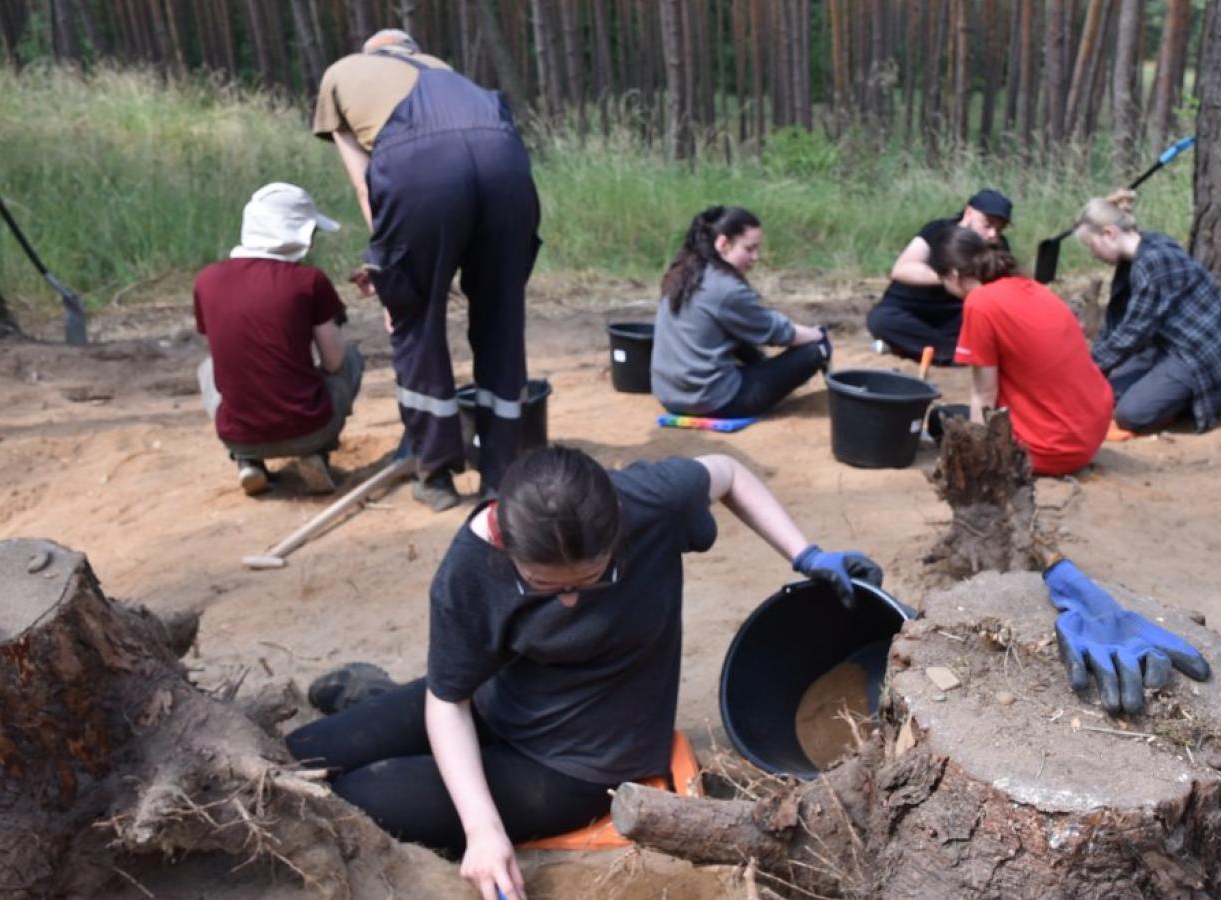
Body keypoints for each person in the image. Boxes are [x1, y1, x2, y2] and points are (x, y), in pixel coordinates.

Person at [286, 446, 882, 900]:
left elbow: (727, 472)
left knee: (350, 795)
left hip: (577, 763)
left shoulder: (648, 502)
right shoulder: (471, 568)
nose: (570, 601)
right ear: (506, 543)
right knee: (296, 757)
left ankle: (385, 716)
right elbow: (448, 700)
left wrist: (807, 556)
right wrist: (483, 828)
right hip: (490, 706)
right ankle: (381, 705)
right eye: (547, 587)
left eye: (590, 581)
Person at [314, 28, 542, 510]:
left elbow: (364, 185)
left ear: (370, 53)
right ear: (412, 50)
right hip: (507, 168)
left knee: (416, 320)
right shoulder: (448, 74)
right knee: (501, 319)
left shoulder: (341, 75)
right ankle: (502, 475)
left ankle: (436, 473)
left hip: (421, 173)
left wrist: (388, 263)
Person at [193, 182, 362, 496]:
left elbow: (227, 355)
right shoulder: (309, 281)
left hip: (237, 433)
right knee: (351, 357)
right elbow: (334, 361)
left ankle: (247, 461)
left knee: (208, 367)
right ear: (298, 232)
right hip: (310, 429)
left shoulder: (207, 281)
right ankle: (317, 452)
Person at [926, 227, 1112, 476]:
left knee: (940, 420)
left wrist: (980, 457)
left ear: (953, 274)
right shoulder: (1029, 286)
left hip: (1051, 450)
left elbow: (984, 395)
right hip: (1090, 433)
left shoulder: (979, 302)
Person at [1073, 190, 1221, 435]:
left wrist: (1086, 370)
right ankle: (1163, 392)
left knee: (1130, 414)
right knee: (1106, 393)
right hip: (1164, 345)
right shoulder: (1137, 255)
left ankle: (1187, 401)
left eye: (1092, 246)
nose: (1094, 255)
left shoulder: (1154, 262)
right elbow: (1118, 322)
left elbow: (1131, 333)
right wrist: (1092, 370)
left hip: (1197, 354)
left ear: (1109, 234)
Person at [650, 206, 830, 418]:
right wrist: (818, 335)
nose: (756, 257)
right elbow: (777, 332)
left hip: (669, 395)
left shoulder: (684, 271)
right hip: (713, 401)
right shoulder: (726, 288)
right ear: (723, 244)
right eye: (749, 249)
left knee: (739, 336)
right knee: (814, 349)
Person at [867, 188, 1014, 365]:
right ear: (968, 213)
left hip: (956, 314)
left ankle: (918, 350)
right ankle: (953, 354)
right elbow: (901, 269)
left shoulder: (998, 245)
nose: (993, 234)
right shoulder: (938, 230)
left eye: (999, 228)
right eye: (987, 225)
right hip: (910, 309)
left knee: (992, 321)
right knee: (881, 320)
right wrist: (949, 277)